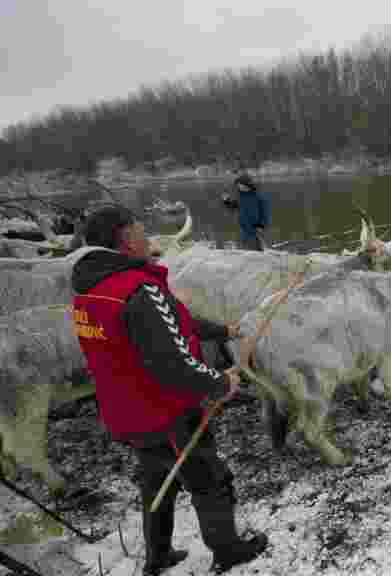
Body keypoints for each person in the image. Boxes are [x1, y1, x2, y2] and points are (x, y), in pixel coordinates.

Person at [70, 205, 268, 575]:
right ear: (126, 239)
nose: (149, 240)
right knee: (209, 479)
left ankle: (156, 557)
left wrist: (221, 330)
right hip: (168, 412)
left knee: (157, 482)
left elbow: (168, 326)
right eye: (143, 232)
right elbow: (173, 363)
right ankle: (228, 551)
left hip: (126, 412)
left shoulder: (91, 291)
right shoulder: (139, 289)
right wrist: (221, 382)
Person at [233, 168, 270, 251]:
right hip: (244, 227)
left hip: (255, 227)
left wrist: (261, 225)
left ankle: (260, 253)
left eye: (240, 185)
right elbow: (235, 207)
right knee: (245, 247)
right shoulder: (241, 196)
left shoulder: (258, 196)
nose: (238, 187)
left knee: (256, 246)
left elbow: (265, 212)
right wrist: (227, 202)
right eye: (238, 185)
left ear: (247, 184)